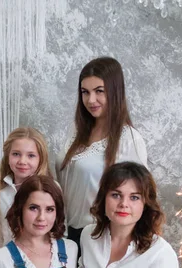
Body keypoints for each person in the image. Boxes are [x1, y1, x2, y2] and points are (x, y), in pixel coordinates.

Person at [56, 56, 148, 253]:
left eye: (99, 91)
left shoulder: (129, 139)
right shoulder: (76, 132)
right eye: (85, 92)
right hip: (66, 234)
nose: (91, 100)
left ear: (115, 92)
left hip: (102, 237)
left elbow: (141, 197)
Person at [0, 127, 52, 250]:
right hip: (9, 263)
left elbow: (59, 233)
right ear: (7, 156)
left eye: (31, 155)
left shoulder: (51, 191)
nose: (22, 161)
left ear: (41, 159)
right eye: (16, 154)